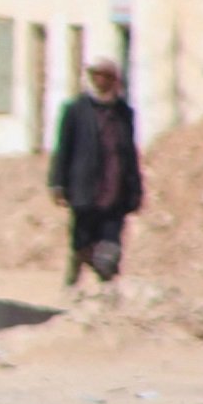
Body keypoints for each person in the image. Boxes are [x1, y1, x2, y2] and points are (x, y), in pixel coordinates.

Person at [50, 55, 142, 285]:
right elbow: (64, 149)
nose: (101, 81)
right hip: (84, 190)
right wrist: (58, 183)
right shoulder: (76, 110)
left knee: (111, 247)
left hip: (115, 192)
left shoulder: (124, 113)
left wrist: (135, 189)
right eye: (97, 76)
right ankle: (73, 286)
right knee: (82, 243)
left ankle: (106, 294)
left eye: (107, 77)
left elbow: (130, 154)